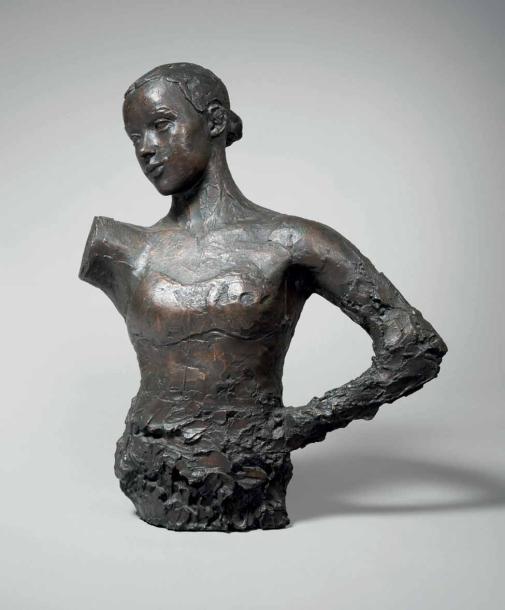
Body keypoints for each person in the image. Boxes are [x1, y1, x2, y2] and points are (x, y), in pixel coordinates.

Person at [79, 63, 447, 531]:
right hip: (148, 473)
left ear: (215, 122)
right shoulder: (122, 248)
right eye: (135, 137)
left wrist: (304, 424)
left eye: (161, 125)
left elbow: (415, 347)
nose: (146, 148)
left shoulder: (293, 242)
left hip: (251, 485)